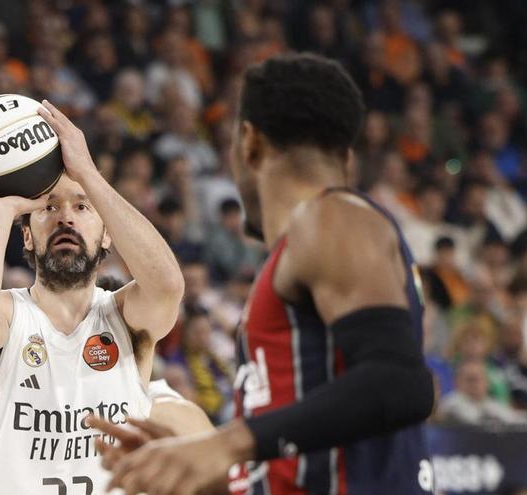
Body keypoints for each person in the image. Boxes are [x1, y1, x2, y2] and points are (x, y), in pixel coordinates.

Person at [92, 53, 435, 495]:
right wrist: (198, 468)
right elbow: (305, 455)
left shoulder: (333, 218)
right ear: (346, 154)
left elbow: (401, 385)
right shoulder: (310, 245)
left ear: (249, 142)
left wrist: (225, 444)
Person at [0, 99, 185, 493]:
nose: (65, 217)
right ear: (26, 234)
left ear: (108, 233)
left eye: (82, 206)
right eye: (48, 207)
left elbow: (168, 286)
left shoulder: (125, 318)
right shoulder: (6, 315)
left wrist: (88, 174)